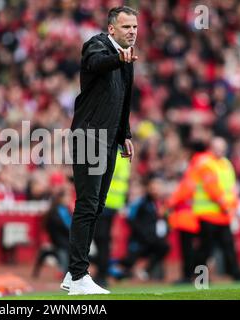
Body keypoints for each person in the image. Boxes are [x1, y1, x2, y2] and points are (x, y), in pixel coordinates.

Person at [61, 6, 138, 295]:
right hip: (88, 137)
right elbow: (96, 63)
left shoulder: (127, 58)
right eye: (127, 26)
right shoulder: (97, 45)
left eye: (135, 27)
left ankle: (73, 273)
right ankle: (79, 275)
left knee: (97, 206)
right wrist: (119, 58)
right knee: (87, 204)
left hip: (107, 138)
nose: (132, 31)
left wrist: (125, 134)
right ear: (111, 29)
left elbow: (123, 100)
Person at [192, 137, 240, 282]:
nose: (220, 151)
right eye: (217, 147)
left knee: (228, 246)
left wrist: (233, 207)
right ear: (211, 147)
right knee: (206, 248)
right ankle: (200, 276)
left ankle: (236, 274)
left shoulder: (226, 164)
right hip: (208, 213)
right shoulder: (206, 163)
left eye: (222, 148)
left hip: (223, 215)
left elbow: (232, 188)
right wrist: (227, 206)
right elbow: (212, 189)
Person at [167, 141, 208, 284]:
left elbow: (186, 188)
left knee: (188, 247)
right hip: (202, 213)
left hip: (189, 214)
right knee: (203, 247)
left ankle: (188, 276)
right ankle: (201, 277)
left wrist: (170, 202)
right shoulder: (208, 163)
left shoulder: (196, 165)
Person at [119, 174, 169, 281]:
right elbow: (131, 219)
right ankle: (120, 273)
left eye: (158, 188)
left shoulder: (162, 204)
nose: (155, 190)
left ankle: (144, 270)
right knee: (126, 263)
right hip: (140, 240)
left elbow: (165, 222)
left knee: (164, 247)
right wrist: (143, 234)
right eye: (153, 187)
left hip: (153, 240)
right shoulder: (141, 202)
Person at [92, 152, 130, 287]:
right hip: (114, 202)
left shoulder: (112, 155)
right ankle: (102, 271)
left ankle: (102, 273)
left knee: (100, 238)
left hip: (106, 201)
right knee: (103, 239)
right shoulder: (122, 157)